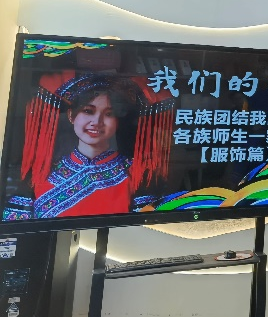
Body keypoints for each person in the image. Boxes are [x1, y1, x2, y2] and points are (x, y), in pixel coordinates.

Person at [5, 71, 173, 220]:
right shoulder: (40, 174)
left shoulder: (137, 174)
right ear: (71, 116)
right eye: (88, 111)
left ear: (117, 122)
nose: (97, 122)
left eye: (109, 114)